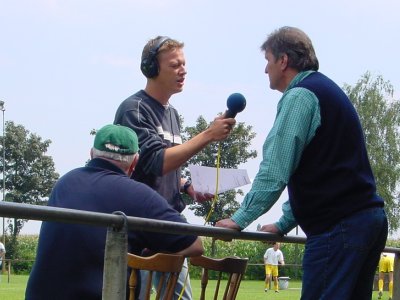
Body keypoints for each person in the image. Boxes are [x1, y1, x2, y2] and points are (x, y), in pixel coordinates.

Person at [216, 26, 388, 300]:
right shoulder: (324, 89)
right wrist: (284, 223)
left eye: (268, 60)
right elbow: (322, 169)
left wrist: (239, 219)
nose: (265, 70)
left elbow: (276, 169)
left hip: (340, 225)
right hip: (366, 220)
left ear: (283, 61)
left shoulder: (299, 96)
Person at [114, 36, 235, 299]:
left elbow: (161, 170)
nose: (184, 70)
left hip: (168, 225)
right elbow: (156, 162)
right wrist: (208, 134)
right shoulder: (134, 110)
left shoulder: (172, 114)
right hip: (141, 231)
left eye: (184, 64)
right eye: (175, 64)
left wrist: (186, 186)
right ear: (151, 68)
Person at [25, 124, 203, 300]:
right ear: (134, 162)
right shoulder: (140, 195)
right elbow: (195, 245)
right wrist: (151, 247)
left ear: (92, 153)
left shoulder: (65, 182)